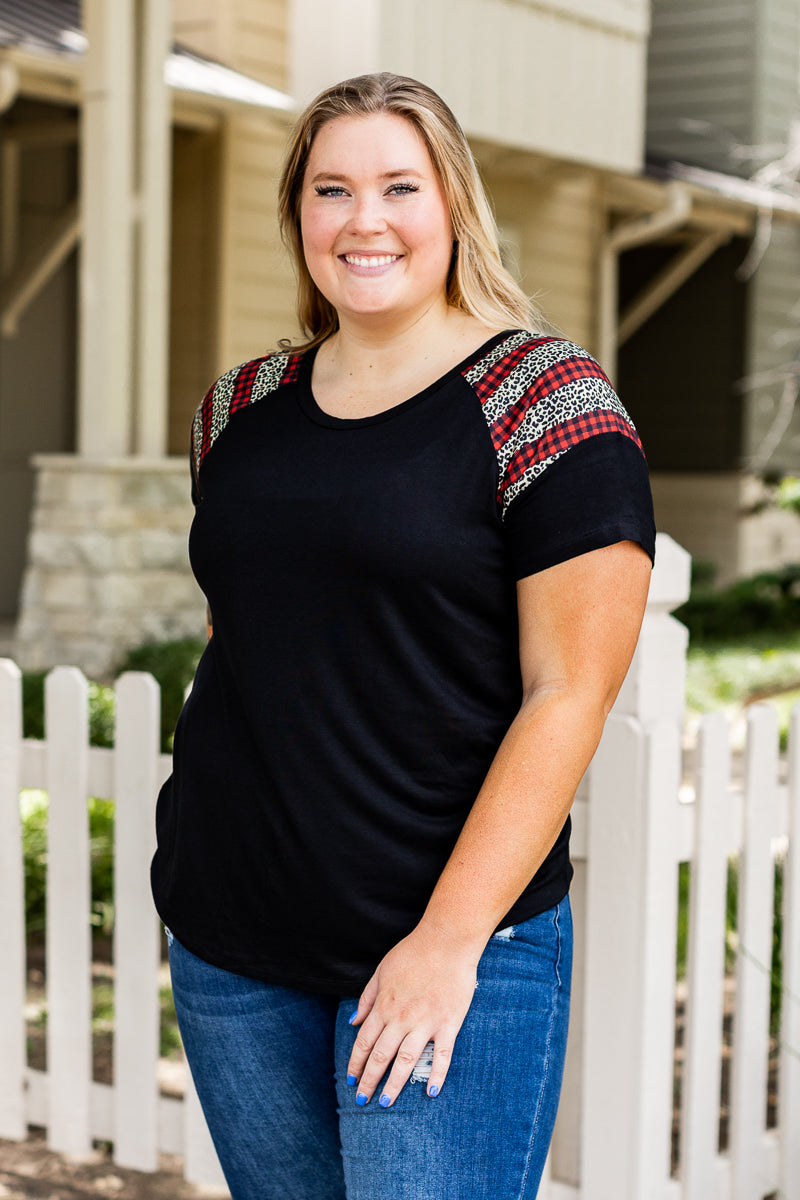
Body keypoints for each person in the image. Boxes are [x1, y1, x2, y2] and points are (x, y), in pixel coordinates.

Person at [151, 71, 655, 1200]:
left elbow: (566, 692)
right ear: (296, 216)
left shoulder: (546, 404)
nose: (361, 220)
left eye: (397, 186)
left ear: (453, 206)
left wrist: (443, 943)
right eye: (329, 189)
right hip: (234, 938)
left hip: (446, 949)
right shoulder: (240, 408)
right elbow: (251, 638)